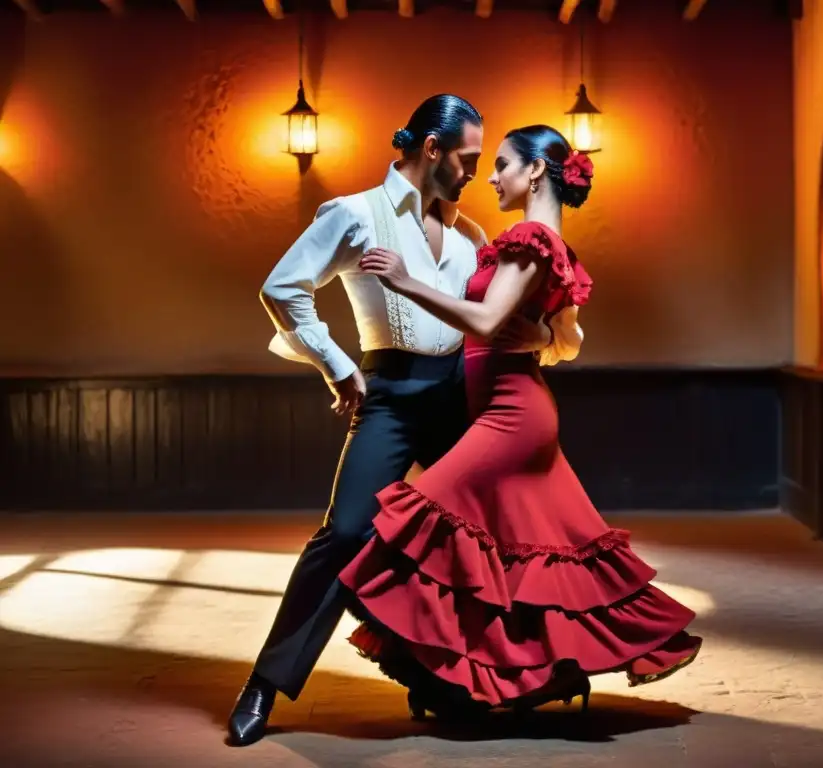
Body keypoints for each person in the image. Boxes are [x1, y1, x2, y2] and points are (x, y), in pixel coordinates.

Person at [228, 96, 584, 747]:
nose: (476, 172)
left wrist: (539, 332)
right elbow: (283, 288)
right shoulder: (353, 214)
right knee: (346, 534)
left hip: (461, 395)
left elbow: (495, 317)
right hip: (389, 392)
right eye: (469, 159)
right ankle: (266, 684)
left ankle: (492, 680)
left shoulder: (474, 234)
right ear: (432, 150)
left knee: (496, 533)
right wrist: (338, 367)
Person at [338, 125, 703, 720]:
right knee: (520, 559)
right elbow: (547, 336)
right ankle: (507, 682)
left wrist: (404, 281)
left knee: (420, 520)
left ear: (535, 172)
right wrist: (533, 333)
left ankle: (459, 680)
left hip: (512, 416)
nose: (491, 175)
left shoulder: (532, 237)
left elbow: (484, 323)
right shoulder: (542, 241)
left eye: (502, 164)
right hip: (509, 409)